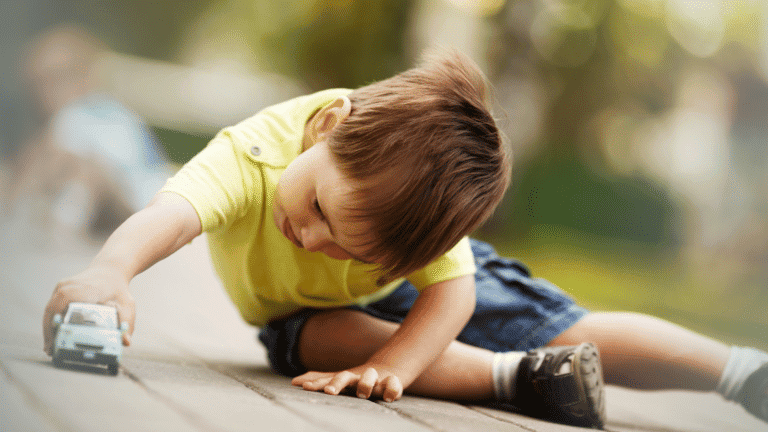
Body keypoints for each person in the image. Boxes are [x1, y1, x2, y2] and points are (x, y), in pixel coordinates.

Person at [42, 50, 767, 429]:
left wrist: (399, 360)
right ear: (328, 130)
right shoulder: (254, 153)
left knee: (566, 325)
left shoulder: (411, 209)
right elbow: (173, 213)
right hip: (311, 315)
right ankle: (521, 378)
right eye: (318, 209)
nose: (314, 241)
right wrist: (112, 272)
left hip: (428, 289)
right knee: (317, 338)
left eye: (348, 247)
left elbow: (453, 292)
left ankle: (740, 373)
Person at [2, 24, 169, 241]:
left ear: (84, 76)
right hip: (149, 200)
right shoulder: (114, 112)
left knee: (78, 170)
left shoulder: (78, 115)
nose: (43, 94)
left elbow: (113, 169)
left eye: (54, 81)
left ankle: (60, 229)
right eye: (37, 85)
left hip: (136, 201)